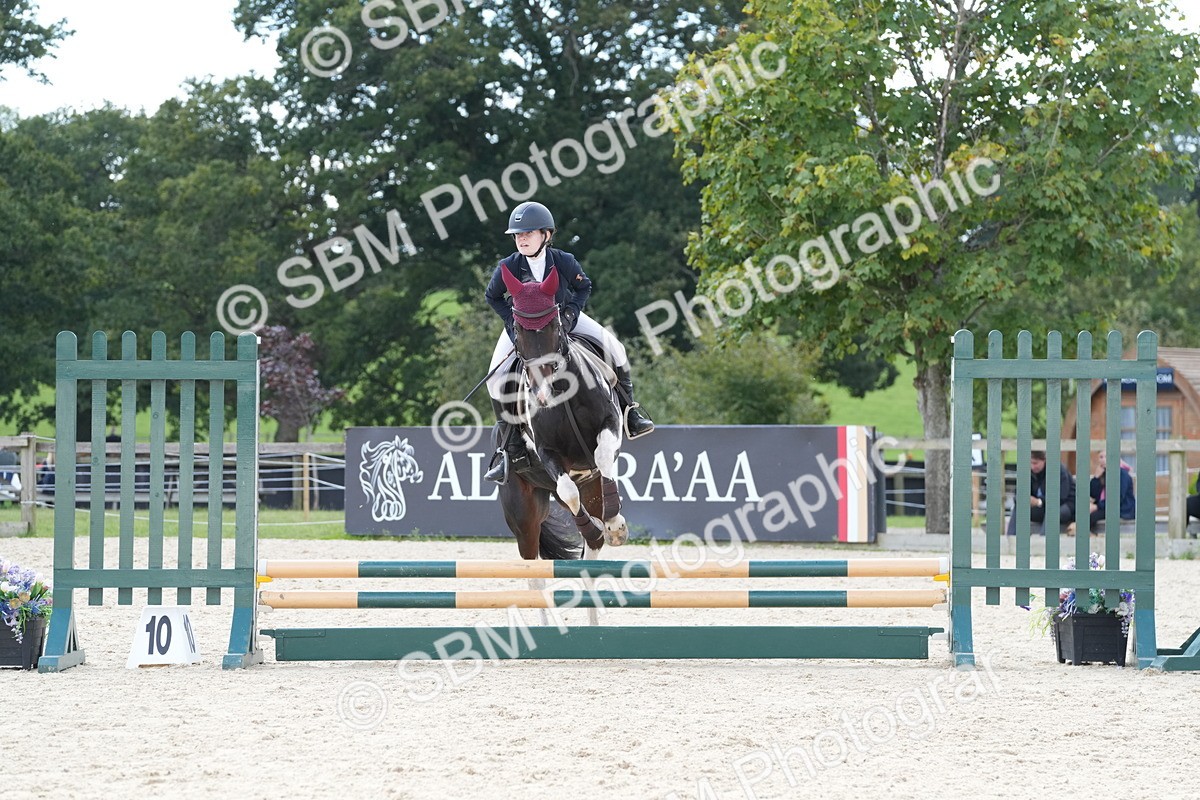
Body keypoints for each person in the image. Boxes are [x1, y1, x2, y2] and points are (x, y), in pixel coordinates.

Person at [482, 201, 654, 484]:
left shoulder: (563, 260)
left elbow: (583, 286)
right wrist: (512, 324)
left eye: (528, 233)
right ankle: (509, 448)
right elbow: (492, 297)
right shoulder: (508, 267)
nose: (522, 239)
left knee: (616, 348)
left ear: (546, 235)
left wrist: (571, 314)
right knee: (495, 377)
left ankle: (630, 413)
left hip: (562, 318)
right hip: (525, 327)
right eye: (518, 235)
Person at [1006, 450, 1076, 536]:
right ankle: (1011, 539)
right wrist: (1023, 499)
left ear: (1044, 460)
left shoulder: (1059, 470)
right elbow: (1018, 493)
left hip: (1065, 506)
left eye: (1035, 463)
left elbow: (1061, 497)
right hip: (1042, 507)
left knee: (1052, 512)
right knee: (1019, 508)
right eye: (1030, 463)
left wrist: (1039, 502)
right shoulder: (1029, 471)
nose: (1032, 466)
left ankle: (1043, 542)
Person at [1088, 450, 1136, 533]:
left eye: (1106, 457)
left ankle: (1086, 533)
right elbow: (1093, 494)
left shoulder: (1122, 474)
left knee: (1093, 516)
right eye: (1101, 457)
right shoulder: (1103, 473)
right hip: (1107, 506)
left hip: (1122, 509)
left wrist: (1097, 506)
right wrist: (1096, 478)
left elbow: (1118, 498)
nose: (1103, 460)